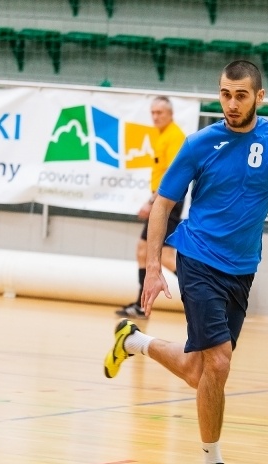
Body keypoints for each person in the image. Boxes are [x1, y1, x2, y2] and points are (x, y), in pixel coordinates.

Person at [103, 60, 268, 464]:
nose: (231, 104)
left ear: (260, 97)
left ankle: (133, 341)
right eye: (224, 94)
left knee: (199, 371)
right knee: (218, 363)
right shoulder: (201, 143)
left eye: (240, 95)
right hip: (198, 258)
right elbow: (163, 204)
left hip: (242, 270)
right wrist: (153, 272)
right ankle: (212, 463)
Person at [115, 96, 186, 319]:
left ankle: (204, 293)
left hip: (168, 203)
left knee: (165, 257)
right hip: (161, 201)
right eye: (153, 112)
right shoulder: (161, 135)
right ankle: (142, 305)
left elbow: (172, 175)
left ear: (170, 114)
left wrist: (152, 202)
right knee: (143, 250)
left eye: (160, 113)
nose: (155, 117)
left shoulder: (174, 137)